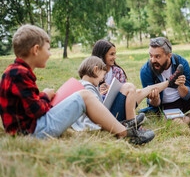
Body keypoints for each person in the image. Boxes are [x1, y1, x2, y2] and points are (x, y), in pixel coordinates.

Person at [0, 25, 153, 145]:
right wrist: (45, 96)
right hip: (32, 132)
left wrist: (42, 96)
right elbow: (36, 111)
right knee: (84, 96)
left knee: (82, 95)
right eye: (48, 49)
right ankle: (126, 133)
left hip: (30, 128)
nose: (50, 53)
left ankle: (124, 127)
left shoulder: (15, 71)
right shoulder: (19, 74)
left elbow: (26, 104)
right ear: (36, 50)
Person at [71, 56, 182, 131]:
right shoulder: (86, 86)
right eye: (102, 76)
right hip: (106, 121)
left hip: (107, 116)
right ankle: (132, 126)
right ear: (95, 70)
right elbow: (95, 112)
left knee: (137, 92)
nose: (101, 80)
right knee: (129, 87)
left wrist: (106, 96)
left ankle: (169, 82)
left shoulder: (83, 85)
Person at [91, 39, 182, 122]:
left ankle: (169, 82)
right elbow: (89, 99)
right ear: (102, 55)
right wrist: (99, 92)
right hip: (105, 113)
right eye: (111, 54)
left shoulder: (117, 71)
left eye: (115, 54)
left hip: (117, 107)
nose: (114, 57)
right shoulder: (92, 73)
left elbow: (124, 94)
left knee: (135, 91)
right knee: (133, 89)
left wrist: (111, 89)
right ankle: (169, 82)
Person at [140, 37, 190, 125]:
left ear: (169, 56)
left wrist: (181, 86)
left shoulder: (181, 63)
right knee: (175, 124)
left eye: (157, 56)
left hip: (183, 102)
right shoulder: (146, 70)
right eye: (150, 56)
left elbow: (186, 96)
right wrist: (154, 99)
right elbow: (154, 104)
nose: (153, 60)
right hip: (163, 107)